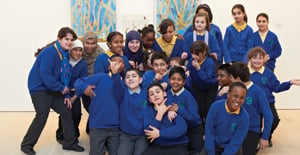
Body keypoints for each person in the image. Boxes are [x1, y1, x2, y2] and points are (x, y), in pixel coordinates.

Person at [21, 27, 84, 155]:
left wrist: (66, 94)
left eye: (71, 40)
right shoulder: (50, 52)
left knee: (67, 109)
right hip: (39, 88)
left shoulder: (64, 54)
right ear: (59, 39)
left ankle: (69, 143)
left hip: (52, 87)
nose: (69, 42)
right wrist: (61, 89)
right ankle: (26, 145)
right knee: (42, 115)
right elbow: (45, 75)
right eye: (66, 39)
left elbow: (64, 76)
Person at [247, 47, 300, 147]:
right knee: (255, 124)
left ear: (264, 60)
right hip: (252, 103)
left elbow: (276, 87)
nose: (257, 60)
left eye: (260, 58)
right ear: (249, 59)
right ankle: (256, 139)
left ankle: (266, 136)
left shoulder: (268, 73)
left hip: (268, 102)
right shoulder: (245, 72)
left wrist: (290, 82)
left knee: (274, 119)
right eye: (254, 58)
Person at [74, 55, 125, 155]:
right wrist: (84, 87)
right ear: (109, 66)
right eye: (114, 61)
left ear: (124, 66)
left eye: (120, 62)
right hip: (97, 125)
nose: (116, 63)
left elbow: (119, 94)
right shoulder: (100, 77)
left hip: (115, 127)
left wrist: (115, 75)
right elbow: (78, 82)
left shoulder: (125, 83)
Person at [230, 62, 273, 155]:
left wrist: (265, 137)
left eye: (231, 78)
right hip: (234, 129)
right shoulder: (231, 90)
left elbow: (268, 115)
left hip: (251, 130)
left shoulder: (257, 91)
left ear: (237, 79)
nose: (230, 80)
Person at [202, 82, 249, 155]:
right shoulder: (215, 107)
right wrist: (211, 152)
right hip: (213, 146)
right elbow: (209, 131)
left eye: (242, 98)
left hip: (231, 149)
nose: (238, 100)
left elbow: (236, 142)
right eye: (235, 96)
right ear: (228, 94)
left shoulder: (244, 117)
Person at [55, 39, 88, 144]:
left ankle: (73, 133)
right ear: (70, 50)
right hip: (63, 91)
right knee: (65, 112)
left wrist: (74, 97)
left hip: (76, 93)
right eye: (75, 50)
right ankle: (61, 135)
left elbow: (82, 82)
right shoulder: (64, 60)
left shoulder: (82, 64)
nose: (78, 53)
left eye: (80, 50)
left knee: (76, 113)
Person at [142, 82, 188, 155]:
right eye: (151, 94)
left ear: (164, 94)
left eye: (157, 92)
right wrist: (159, 114)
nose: (155, 95)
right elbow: (149, 132)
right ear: (150, 99)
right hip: (158, 146)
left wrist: (160, 133)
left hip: (177, 145)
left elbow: (182, 128)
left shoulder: (173, 106)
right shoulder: (147, 111)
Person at [111, 67, 149, 155]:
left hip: (142, 135)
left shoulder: (146, 93)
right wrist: (115, 73)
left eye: (133, 76)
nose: (130, 78)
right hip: (125, 134)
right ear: (124, 81)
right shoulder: (122, 93)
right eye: (127, 77)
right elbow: (116, 84)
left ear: (140, 80)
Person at [167, 66, 204, 155]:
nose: (175, 82)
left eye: (179, 80)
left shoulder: (188, 96)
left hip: (192, 130)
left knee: (198, 152)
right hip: (177, 129)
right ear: (169, 80)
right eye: (173, 79)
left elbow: (194, 119)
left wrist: (179, 109)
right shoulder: (167, 93)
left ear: (183, 82)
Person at [186, 40, 218, 124]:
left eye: (197, 54)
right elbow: (188, 68)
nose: (194, 56)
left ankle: (209, 125)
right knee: (199, 108)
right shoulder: (191, 60)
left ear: (203, 53)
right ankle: (201, 126)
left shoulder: (209, 62)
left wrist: (198, 69)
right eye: (192, 53)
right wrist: (186, 70)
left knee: (208, 107)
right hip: (198, 86)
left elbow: (206, 79)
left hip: (210, 87)